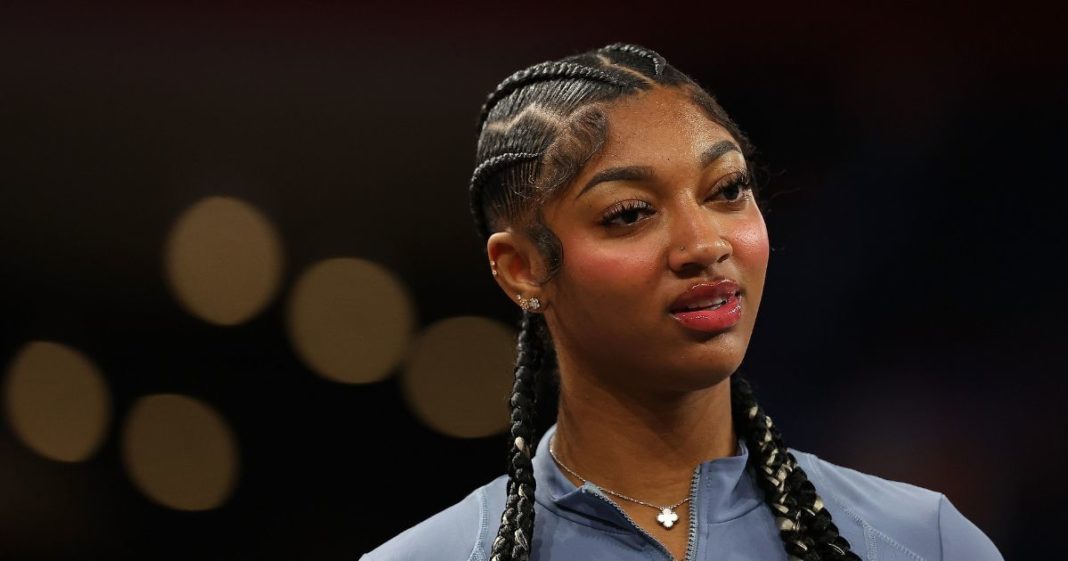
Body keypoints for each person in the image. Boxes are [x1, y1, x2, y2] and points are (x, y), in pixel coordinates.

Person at [361, 43, 1003, 561]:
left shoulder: (926, 542)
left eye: (726, 190)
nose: (703, 244)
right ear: (522, 270)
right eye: (630, 213)